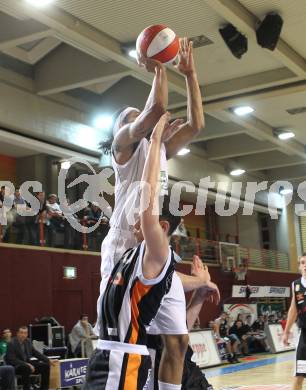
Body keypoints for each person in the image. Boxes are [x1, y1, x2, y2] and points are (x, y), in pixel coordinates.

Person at [96, 37, 205, 386]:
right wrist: (157, 64)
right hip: (124, 246)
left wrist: (189, 75)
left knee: (178, 341)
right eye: (130, 116)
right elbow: (154, 111)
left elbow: (196, 125)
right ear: (119, 129)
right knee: (124, 338)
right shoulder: (122, 149)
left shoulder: (155, 151)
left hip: (152, 244)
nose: (137, 117)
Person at [85, 112, 188, 389]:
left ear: (160, 227)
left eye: (146, 221)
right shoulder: (131, 257)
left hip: (124, 359)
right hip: (105, 356)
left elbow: (148, 194)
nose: (137, 222)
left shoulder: (154, 257)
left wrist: (155, 140)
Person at [5, 325, 56, 390]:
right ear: (17, 333)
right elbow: (11, 359)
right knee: (26, 368)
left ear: (27, 334)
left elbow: (36, 353)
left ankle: (44, 388)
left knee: (45, 366)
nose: (23, 335)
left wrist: (48, 360)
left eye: (25, 333)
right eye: (21, 333)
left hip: (28, 365)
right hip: (17, 366)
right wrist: (26, 364)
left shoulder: (28, 341)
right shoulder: (11, 343)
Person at [282, 254, 306, 390]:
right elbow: (293, 309)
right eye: (302, 263)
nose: (305, 265)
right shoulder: (295, 285)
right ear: (299, 266)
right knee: (299, 376)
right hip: (304, 338)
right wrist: (286, 332)